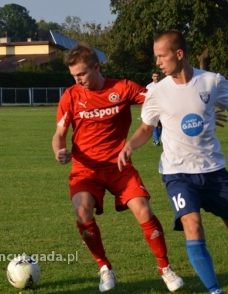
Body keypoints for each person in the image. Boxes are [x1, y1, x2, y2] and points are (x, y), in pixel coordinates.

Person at [118, 30, 228, 294]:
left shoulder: (212, 82)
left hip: (213, 172)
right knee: (192, 222)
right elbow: (146, 127)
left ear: (179, 54)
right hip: (177, 174)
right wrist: (130, 145)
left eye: (162, 56)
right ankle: (214, 290)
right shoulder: (157, 92)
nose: (158, 62)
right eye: (156, 57)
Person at [51, 43, 184, 292]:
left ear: (97, 67)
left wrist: (196, 107)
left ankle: (165, 268)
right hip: (85, 169)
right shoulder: (71, 95)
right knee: (82, 213)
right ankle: (105, 268)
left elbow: (162, 100)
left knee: (144, 210)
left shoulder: (123, 88)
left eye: (82, 74)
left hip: (119, 166)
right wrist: (59, 151)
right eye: (74, 76)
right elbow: (59, 134)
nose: (78, 80)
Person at [146, 71, 163, 146]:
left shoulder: (164, 84)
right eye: (154, 76)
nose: (156, 78)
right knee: (155, 124)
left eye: (157, 76)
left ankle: (155, 139)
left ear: (160, 76)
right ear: (152, 77)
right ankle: (156, 141)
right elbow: (146, 98)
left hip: (163, 107)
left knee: (161, 126)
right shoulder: (149, 86)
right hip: (153, 108)